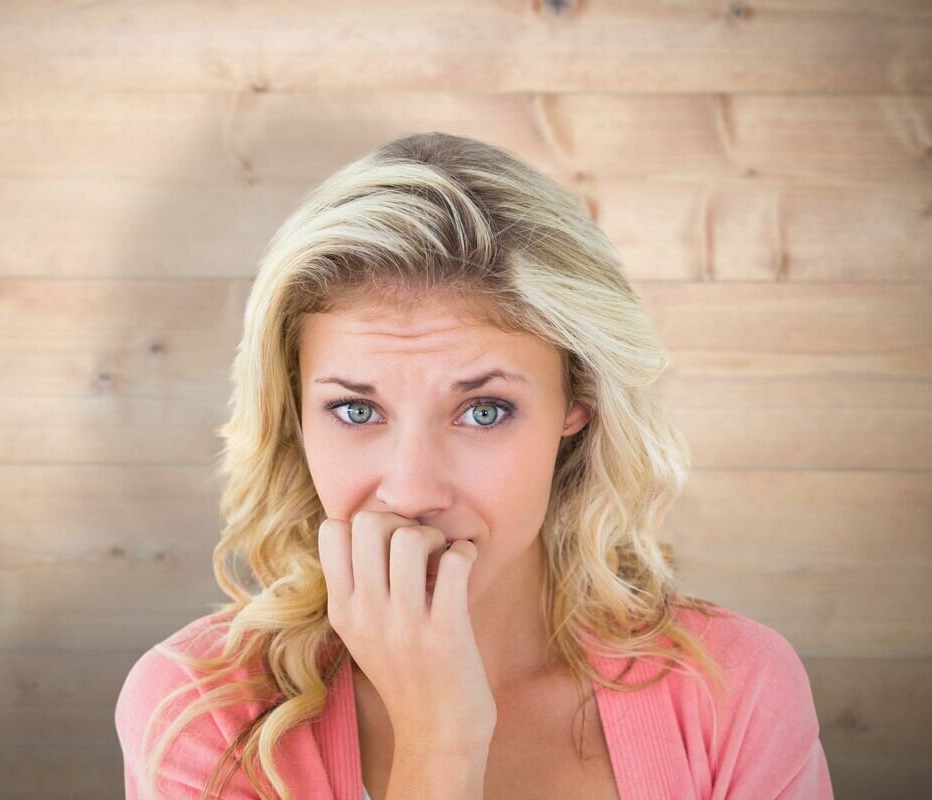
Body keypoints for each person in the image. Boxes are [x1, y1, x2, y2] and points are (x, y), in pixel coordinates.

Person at [115, 131, 835, 799]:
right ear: (294, 414)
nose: (411, 492)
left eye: (484, 411)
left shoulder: (735, 688)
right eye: (356, 411)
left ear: (577, 403)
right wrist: (440, 742)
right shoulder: (199, 717)